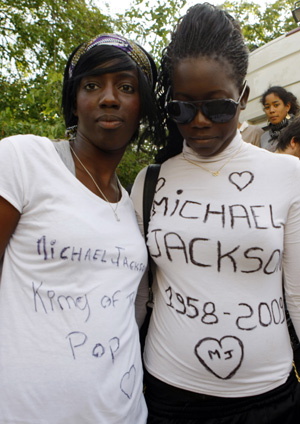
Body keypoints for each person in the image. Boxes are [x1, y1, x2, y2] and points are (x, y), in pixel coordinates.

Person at [131, 3, 300, 423]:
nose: (200, 121)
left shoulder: (288, 175)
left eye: (218, 107)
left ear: (243, 97)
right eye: (183, 109)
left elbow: (298, 293)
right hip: (167, 397)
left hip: (269, 401)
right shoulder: (150, 183)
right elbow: (135, 295)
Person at [0, 32, 162, 423]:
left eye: (125, 87)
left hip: (124, 413)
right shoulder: (23, 159)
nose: (109, 97)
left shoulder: (133, 205)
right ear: (75, 101)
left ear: (142, 107)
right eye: (92, 85)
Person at [260, 85, 300, 152]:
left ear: (287, 106)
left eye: (276, 105)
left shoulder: (297, 130)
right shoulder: (264, 137)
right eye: (267, 107)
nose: (271, 110)